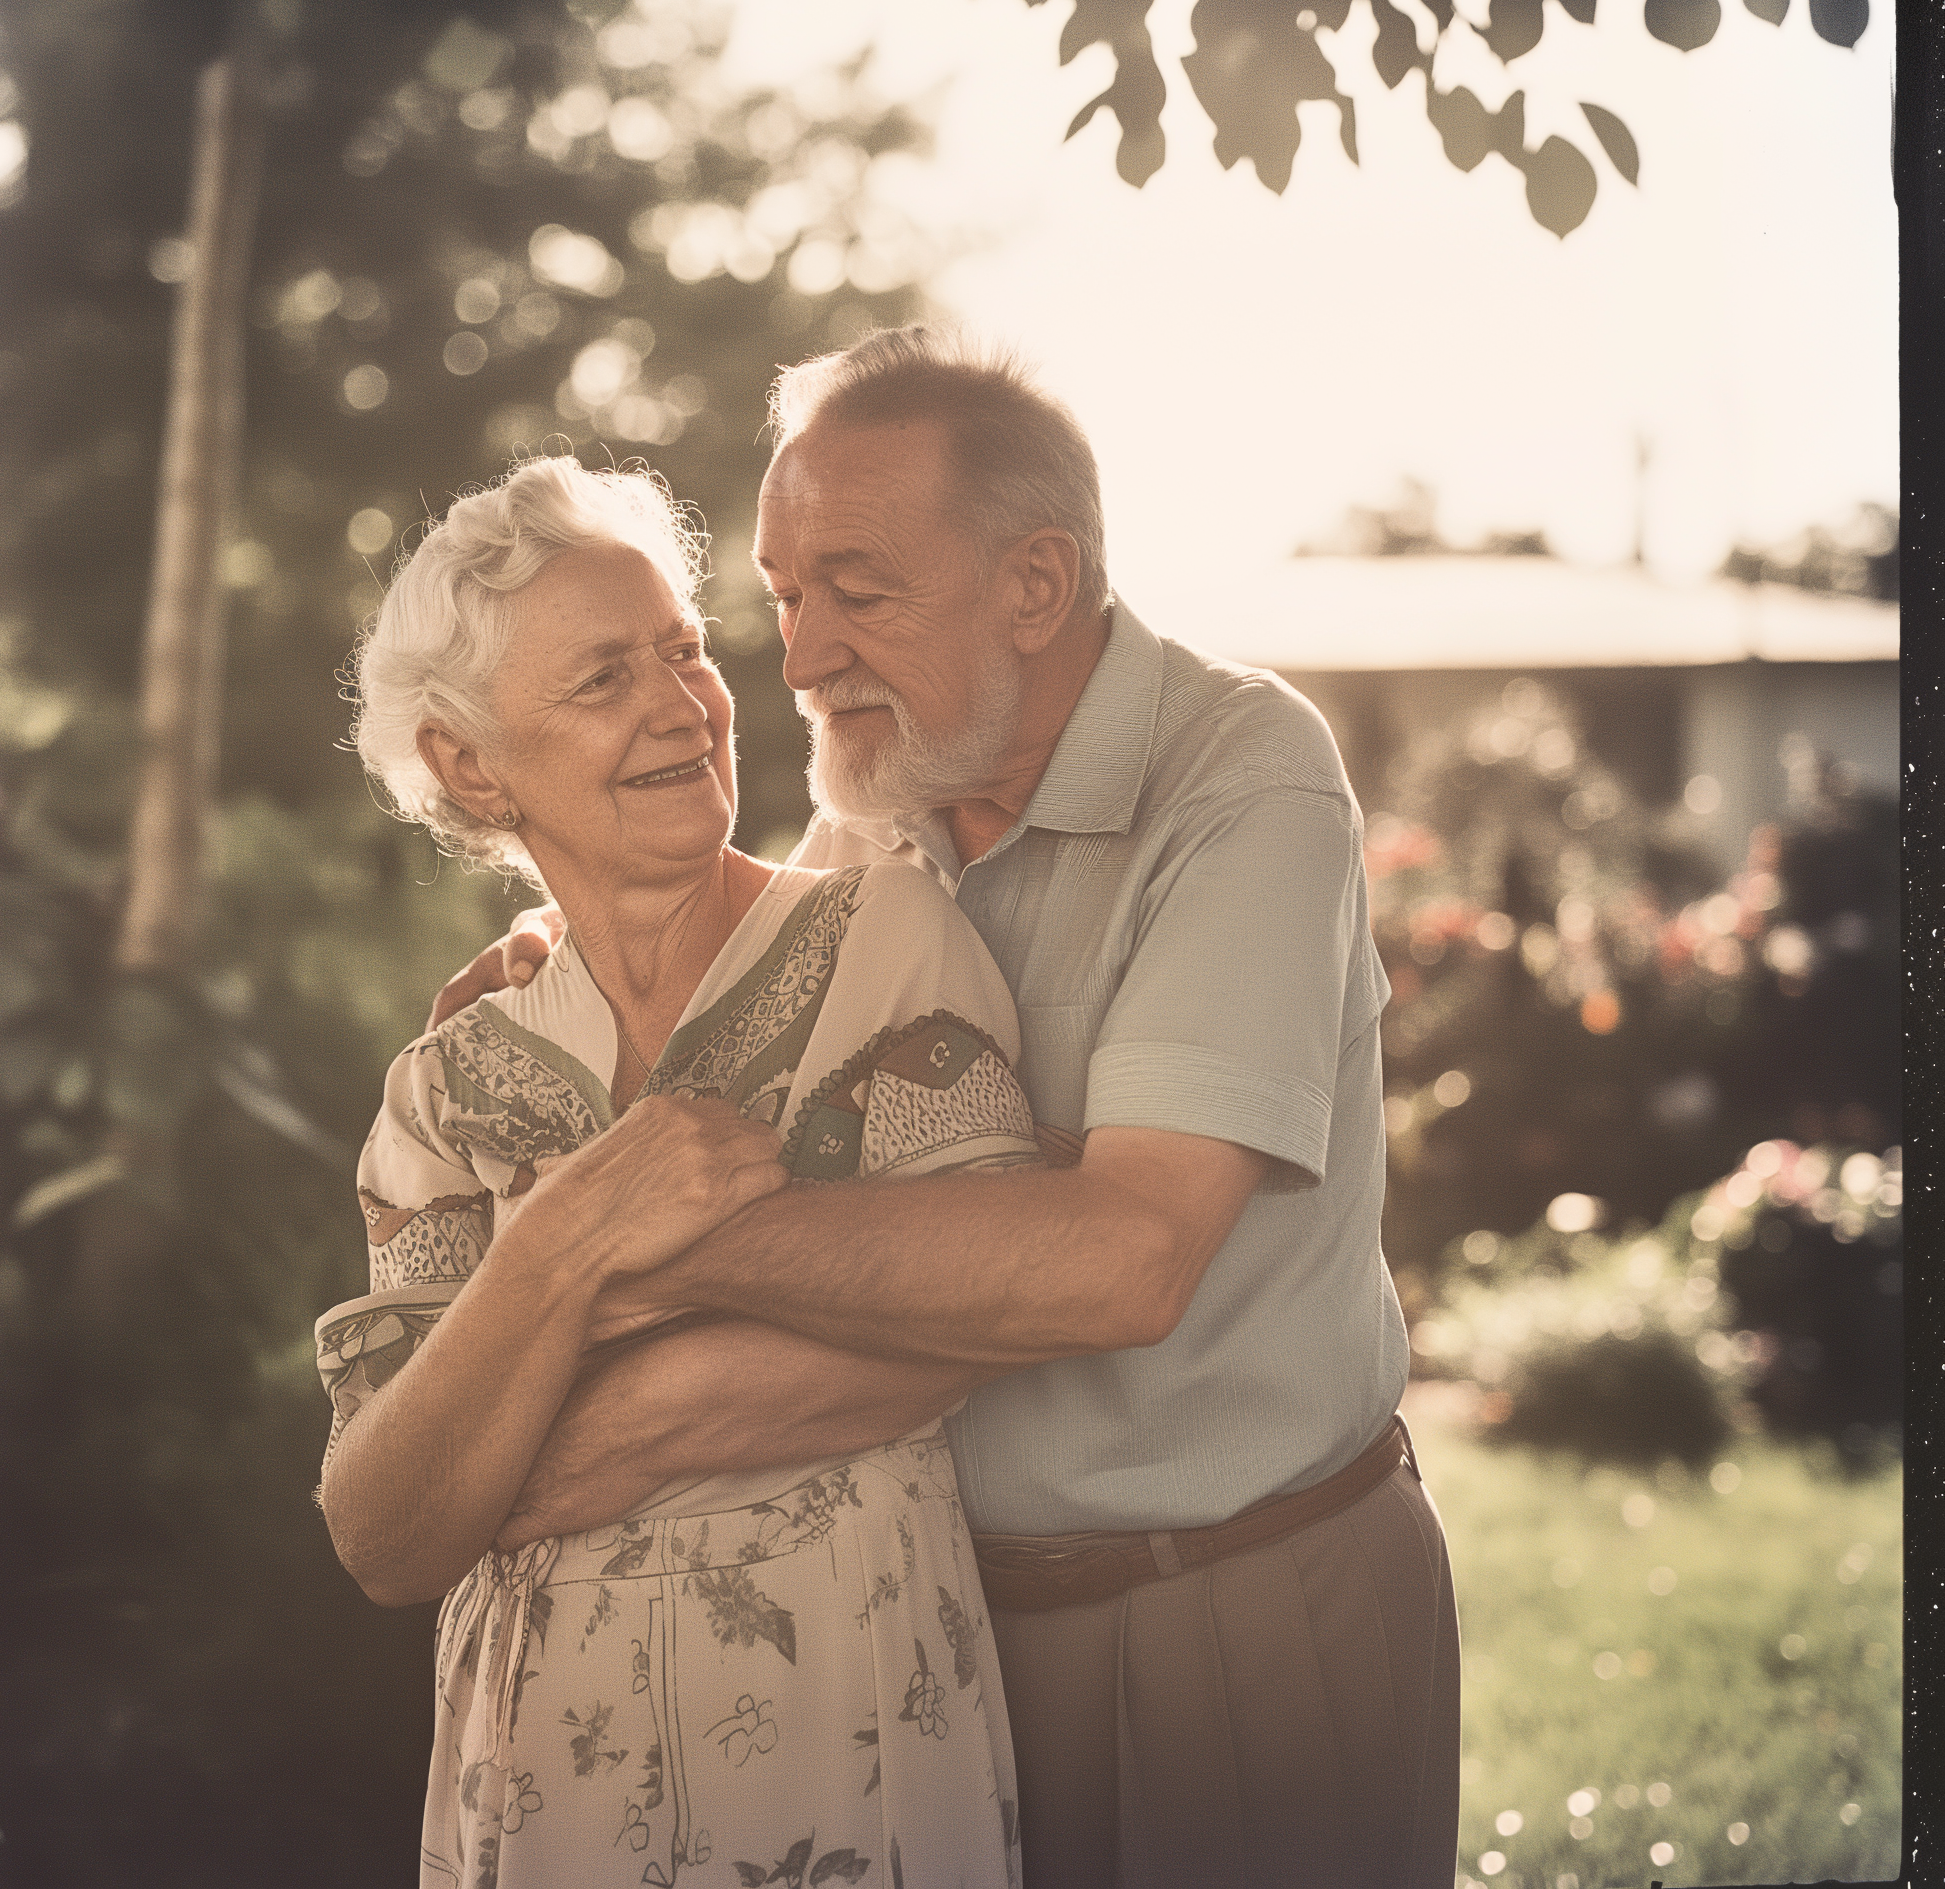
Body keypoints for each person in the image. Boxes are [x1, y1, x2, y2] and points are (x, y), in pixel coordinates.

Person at [442, 328, 1462, 1889]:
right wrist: (590, 959)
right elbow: (739, 993)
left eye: (859, 588)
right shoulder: (878, 813)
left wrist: (646, 1249)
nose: (796, 654)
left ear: (1035, 586)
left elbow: (1121, 1261)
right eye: (784, 595)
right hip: (943, 1637)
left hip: (1234, 1608)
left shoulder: (1245, 779)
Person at [314, 455, 1040, 1889]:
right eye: (601, 680)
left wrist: (528, 1408)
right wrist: (566, 1245)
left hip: (852, 1719)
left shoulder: (887, 946)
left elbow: (970, 1328)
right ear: (471, 764)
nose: (682, 706)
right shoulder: (445, 1091)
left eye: (685, 651)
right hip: (540, 1783)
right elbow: (387, 1529)